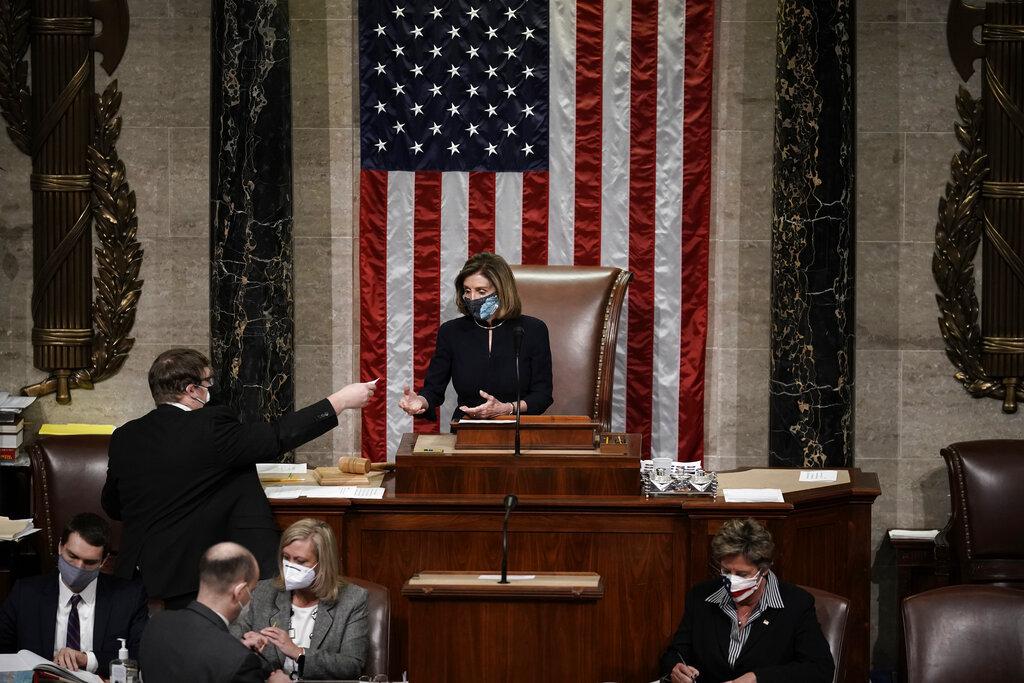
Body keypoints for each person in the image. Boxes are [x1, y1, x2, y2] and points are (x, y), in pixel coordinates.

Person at [102, 348, 376, 607]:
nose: (211, 391)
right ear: (191, 390)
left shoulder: (125, 435)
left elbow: (112, 505)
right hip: (185, 582)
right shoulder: (209, 426)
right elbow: (276, 436)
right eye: (208, 384)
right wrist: (340, 401)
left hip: (132, 576)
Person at [660, 518, 834, 683]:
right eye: (726, 571)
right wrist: (676, 668)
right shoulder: (701, 597)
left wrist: (757, 678)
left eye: (742, 574)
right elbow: (676, 653)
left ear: (764, 569)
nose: (732, 580)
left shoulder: (796, 604)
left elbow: (819, 669)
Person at [399, 252, 553, 422]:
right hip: (467, 429)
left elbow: (542, 395)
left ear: (502, 291)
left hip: (517, 429)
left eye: (481, 291)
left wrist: (507, 408)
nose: (472, 298)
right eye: (467, 291)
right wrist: (420, 402)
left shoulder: (533, 330)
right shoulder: (451, 332)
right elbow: (433, 390)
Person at [0, 513, 148, 677]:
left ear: (104, 561)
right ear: (60, 547)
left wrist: (87, 660)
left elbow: (141, 658)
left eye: (90, 562)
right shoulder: (26, 594)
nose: (79, 568)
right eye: (72, 557)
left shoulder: (128, 597)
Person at [232, 519, 368, 679]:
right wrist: (245, 645)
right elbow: (230, 640)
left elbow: (352, 665)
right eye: (286, 557)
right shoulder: (264, 591)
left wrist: (298, 653)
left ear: (323, 564)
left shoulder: (353, 599)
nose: (289, 566)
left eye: (300, 561)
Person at [140, 542, 289, 683]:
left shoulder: (157, 623)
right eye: (252, 590)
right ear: (240, 592)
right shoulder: (241, 662)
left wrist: (235, 649)